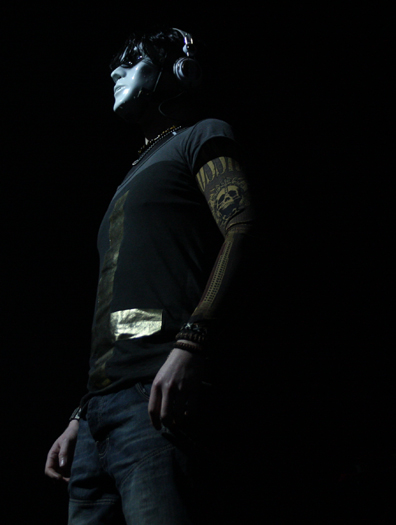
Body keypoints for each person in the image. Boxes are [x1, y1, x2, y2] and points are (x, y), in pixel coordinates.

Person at [44, 27, 256, 523]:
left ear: (178, 72)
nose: (115, 73)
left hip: (158, 402)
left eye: (132, 61)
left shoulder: (201, 135)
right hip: (97, 422)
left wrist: (193, 342)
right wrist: (82, 413)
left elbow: (242, 228)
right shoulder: (132, 175)